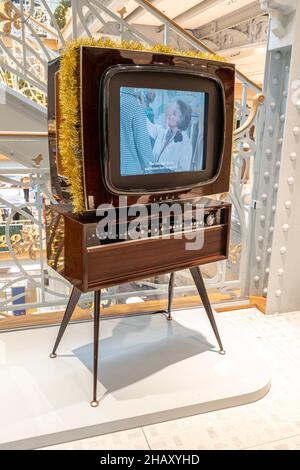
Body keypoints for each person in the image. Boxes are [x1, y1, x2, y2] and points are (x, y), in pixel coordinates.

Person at [146, 99, 193, 172]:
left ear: (182, 118)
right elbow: (146, 124)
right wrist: (140, 105)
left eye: (174, 114)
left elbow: (184, 171)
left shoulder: (186, 143)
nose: (169, 116)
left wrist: (164, 170)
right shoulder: (162, 131)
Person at [120, 88, 154, 176]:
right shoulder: (135, 106)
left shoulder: (116, 101)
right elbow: (143, 143)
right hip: (132, 171)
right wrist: (151, 169)